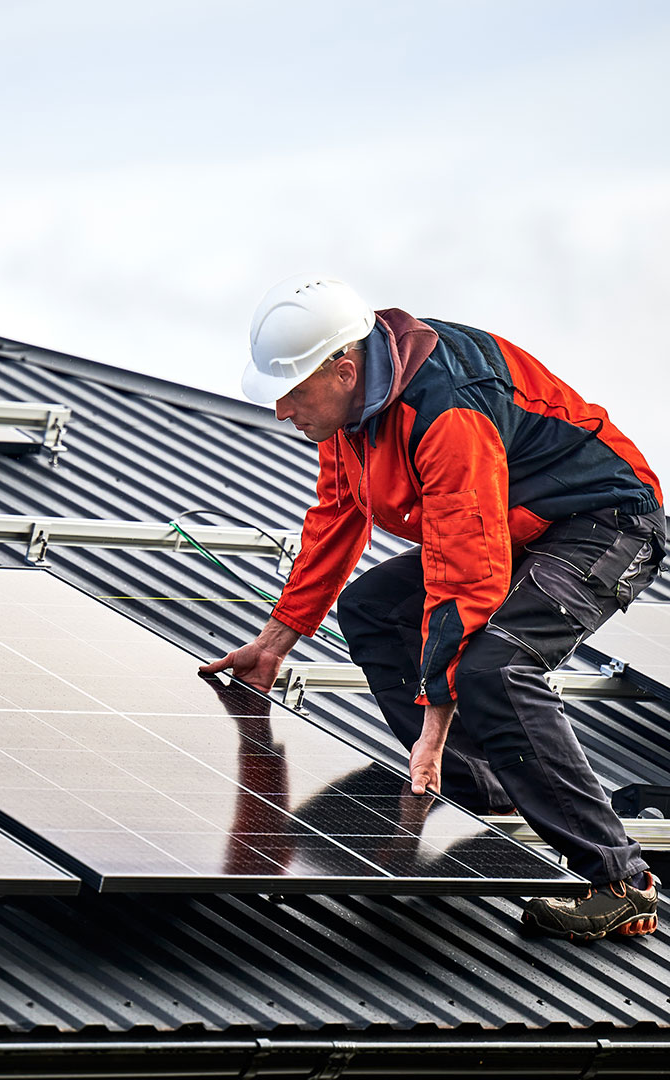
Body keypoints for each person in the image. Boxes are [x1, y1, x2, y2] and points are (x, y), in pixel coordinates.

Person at [202, 275, 665, 941]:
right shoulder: (352, 411)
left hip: (605, 522)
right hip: (519, 525)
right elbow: (337, 518)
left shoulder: (447, 411)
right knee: (372, 606)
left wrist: (433, 725)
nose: (280, 410)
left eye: (293, 391)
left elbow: (466, 572)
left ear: (342, 369)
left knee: (494, 669)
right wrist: (274, 643)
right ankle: (480, 786)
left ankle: (621, 882)